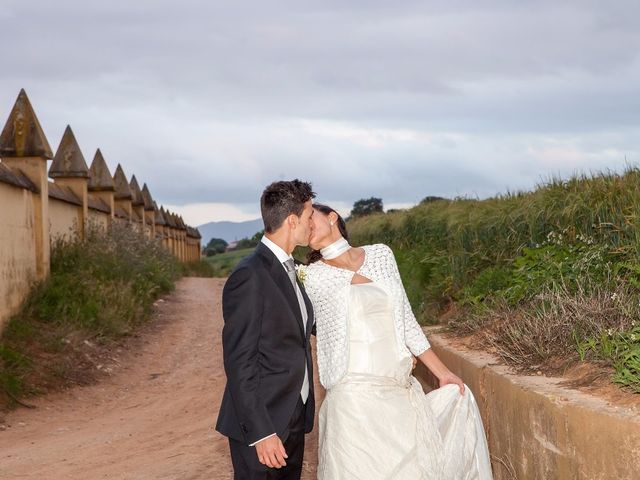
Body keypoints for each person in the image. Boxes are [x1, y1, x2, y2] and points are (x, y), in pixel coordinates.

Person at [303, 203, 493, 479]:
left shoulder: (381, 255)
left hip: (397, 388)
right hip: (351, 396)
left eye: (312, 216)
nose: (307, 223)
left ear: (332, 217)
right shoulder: (311, 276)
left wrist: (443, 373)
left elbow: (406, 321)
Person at [215, 180, 316, 480]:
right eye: (310, 217)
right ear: (292, 220)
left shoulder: (290, 269)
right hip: (263, 424)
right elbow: (239, 361)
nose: (313, 224)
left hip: (294, 415)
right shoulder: (250, 275)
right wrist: (261, 433)